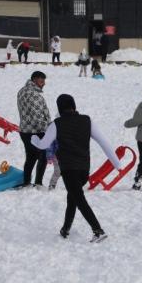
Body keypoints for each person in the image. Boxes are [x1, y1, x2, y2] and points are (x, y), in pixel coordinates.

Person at [32, 94, 120, 242]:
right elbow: (104, 142)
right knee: (72, 197)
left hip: (68, 169)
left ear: (60, 107)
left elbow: (44, 145)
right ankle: (65, 229)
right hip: (84, 169)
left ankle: (98, 231)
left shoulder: (56, 124)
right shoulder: (87, 120)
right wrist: (117, 163)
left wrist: (34, 140)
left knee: (79, 199)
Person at [17, 71, 51, 187]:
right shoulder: (33, 95)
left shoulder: (22, 90)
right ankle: (38, 183)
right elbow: (37, 117)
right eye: (42, 81)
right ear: (35, 80)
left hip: (25, 130)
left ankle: (26, 181)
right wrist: (50, 129)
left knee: (31, 157)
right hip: (36, 131)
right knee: (43, 156)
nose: (44, 83)